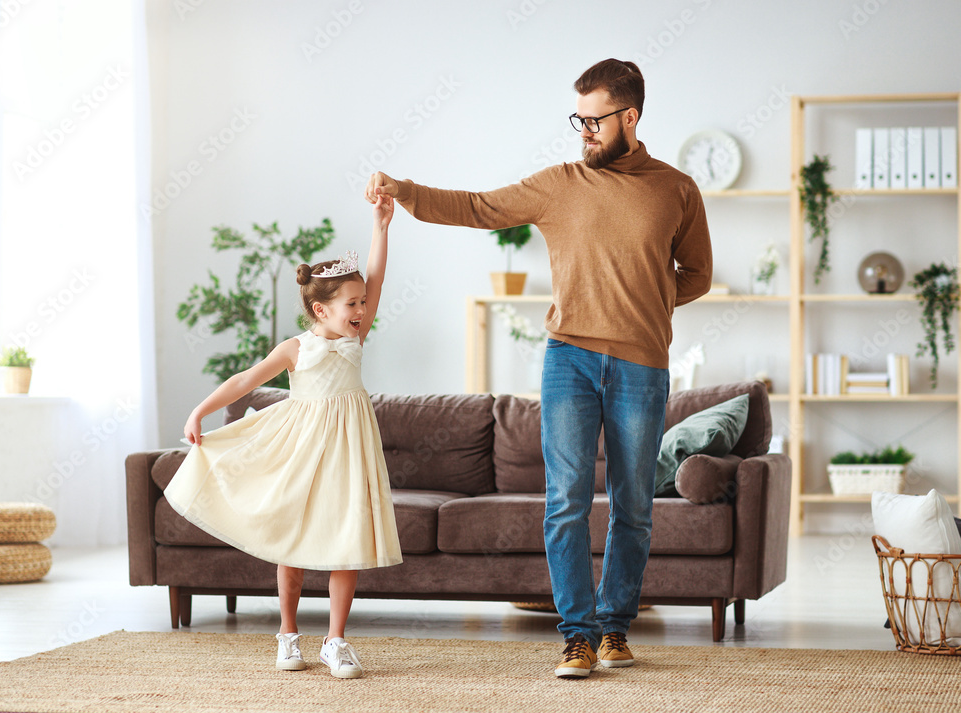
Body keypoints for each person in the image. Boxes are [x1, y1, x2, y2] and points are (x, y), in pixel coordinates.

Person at [364, 59, 711, 679]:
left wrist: (648, 303)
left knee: (633, 505)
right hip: (568, 361)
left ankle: (615, 627)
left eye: (596, 120)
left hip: (641, 366)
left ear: (630, 117)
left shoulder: (677, 189)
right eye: (578, 118)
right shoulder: (560, 184)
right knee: (566, 502)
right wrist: (406, 191)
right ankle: (577, 634)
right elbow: (476, 206)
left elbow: (698, 275)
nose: (584, 130)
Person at [164, 195, 401, 680]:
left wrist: (381, 226)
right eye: (350, 304)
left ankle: (336, 640)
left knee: (346, 540)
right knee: (290, 541)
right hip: (300, 451)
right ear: (321, 308)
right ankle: (287, 634)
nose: (360, 308)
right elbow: (243, 382)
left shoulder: (356, 337)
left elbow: (376, 278)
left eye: (361, 303)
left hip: (348, 454)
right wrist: (200, 410)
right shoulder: (296, 348)